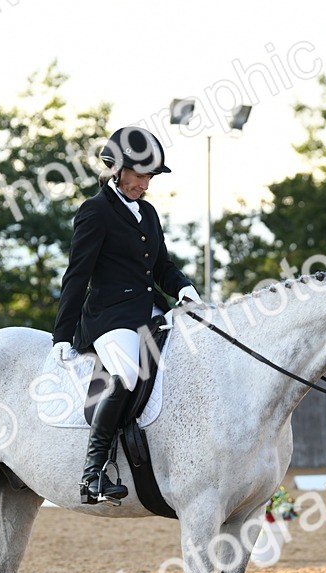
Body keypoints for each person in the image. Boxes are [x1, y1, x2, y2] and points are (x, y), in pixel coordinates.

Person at [51, 126, 202, 505]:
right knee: (128, 373)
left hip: (151, 310)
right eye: (140, 175)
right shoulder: (95, 211)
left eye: (150, 177)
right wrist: (62, 334)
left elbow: (161, 266)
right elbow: (77, 275)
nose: (145, 185)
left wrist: (183, 287)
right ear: (116, 170)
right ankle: (93, 474)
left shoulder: (147, 212)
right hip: (110, 317)